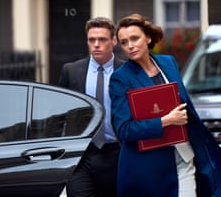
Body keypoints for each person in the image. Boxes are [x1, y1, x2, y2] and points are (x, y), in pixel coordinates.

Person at [109, 13, 221, 197]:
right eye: (124, 42)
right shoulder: (120, 78)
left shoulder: (168, 63)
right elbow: (124, 129)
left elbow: (185, 103)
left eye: (135, 38)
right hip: (148, 167)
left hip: (185, 154)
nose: (130, 46)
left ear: (148, 37)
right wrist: (165, 121)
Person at [58, 16, 123, 197]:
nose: (96, 44)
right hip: (81, 156)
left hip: (116, 154)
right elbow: (59, 114)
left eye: (102, 39)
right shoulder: (71, 71)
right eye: (91, 40)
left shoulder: (126, 71)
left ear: (114, 41)